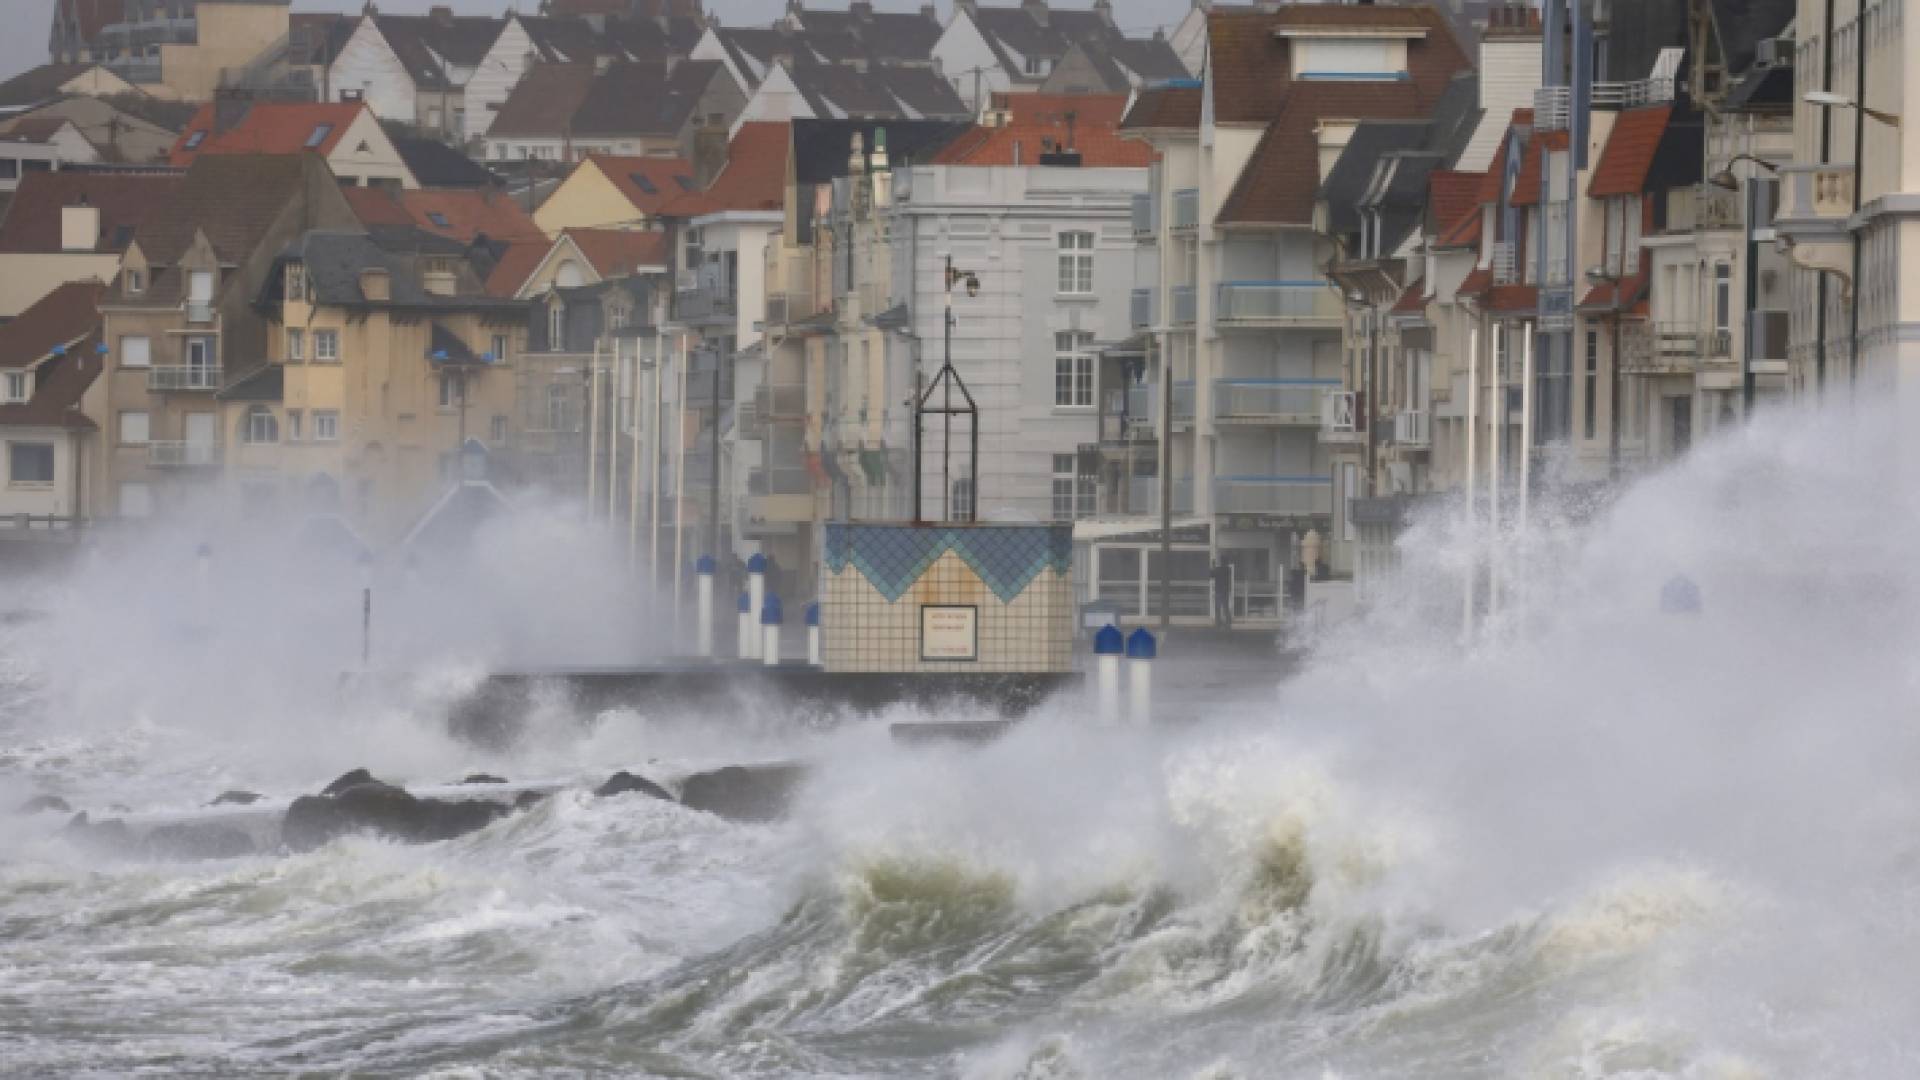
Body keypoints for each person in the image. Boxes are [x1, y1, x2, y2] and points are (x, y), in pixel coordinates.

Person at [1211, 559, 1233, 630]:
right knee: (1225, 607)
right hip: (1225, 591)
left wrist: (1213, 565)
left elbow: (1212, 575)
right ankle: (1228, 622)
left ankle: (1218, 623)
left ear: (1221, 562)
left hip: (1218, 591)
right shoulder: (1228, 569)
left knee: (1218, 608)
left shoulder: (1218, 569)